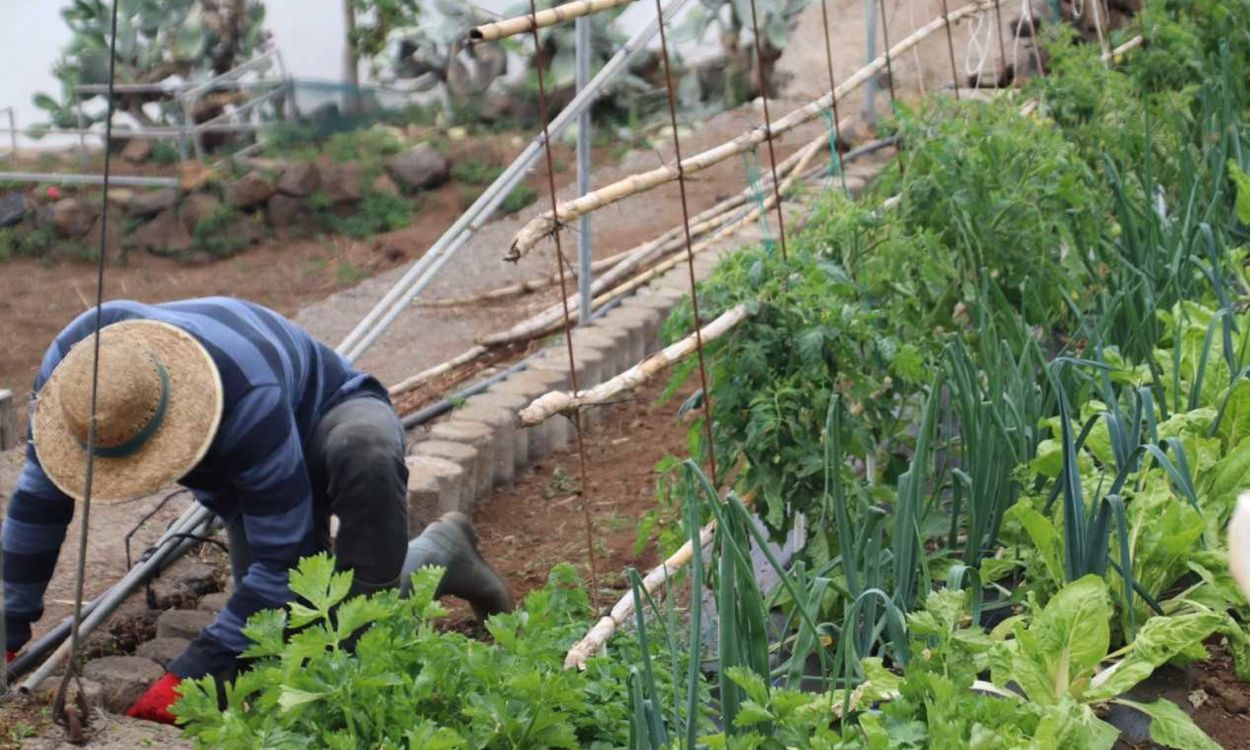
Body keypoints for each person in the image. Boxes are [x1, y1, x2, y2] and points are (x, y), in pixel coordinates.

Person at [2, 297, 513, 723]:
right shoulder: (74, 382)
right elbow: (38, 504)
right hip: (248, 469)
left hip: (327, 412)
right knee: (286, 639)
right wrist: (7, 628)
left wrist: (192, 675)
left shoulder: (243, 393)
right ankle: (439, 554)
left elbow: (281, 563)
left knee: (343, 611)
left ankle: (441, 555)